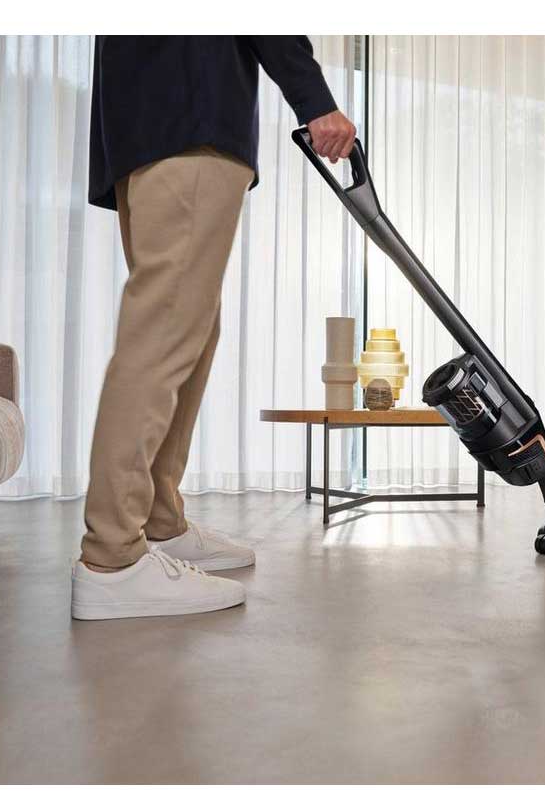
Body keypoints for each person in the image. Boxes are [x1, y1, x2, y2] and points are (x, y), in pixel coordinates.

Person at [71, 36, 356, 620]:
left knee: (190, 330)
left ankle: (159, 521)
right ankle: (112, 557)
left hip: (148, 119)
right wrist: (314, 100)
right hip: (190, 114)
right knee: (164, 334)